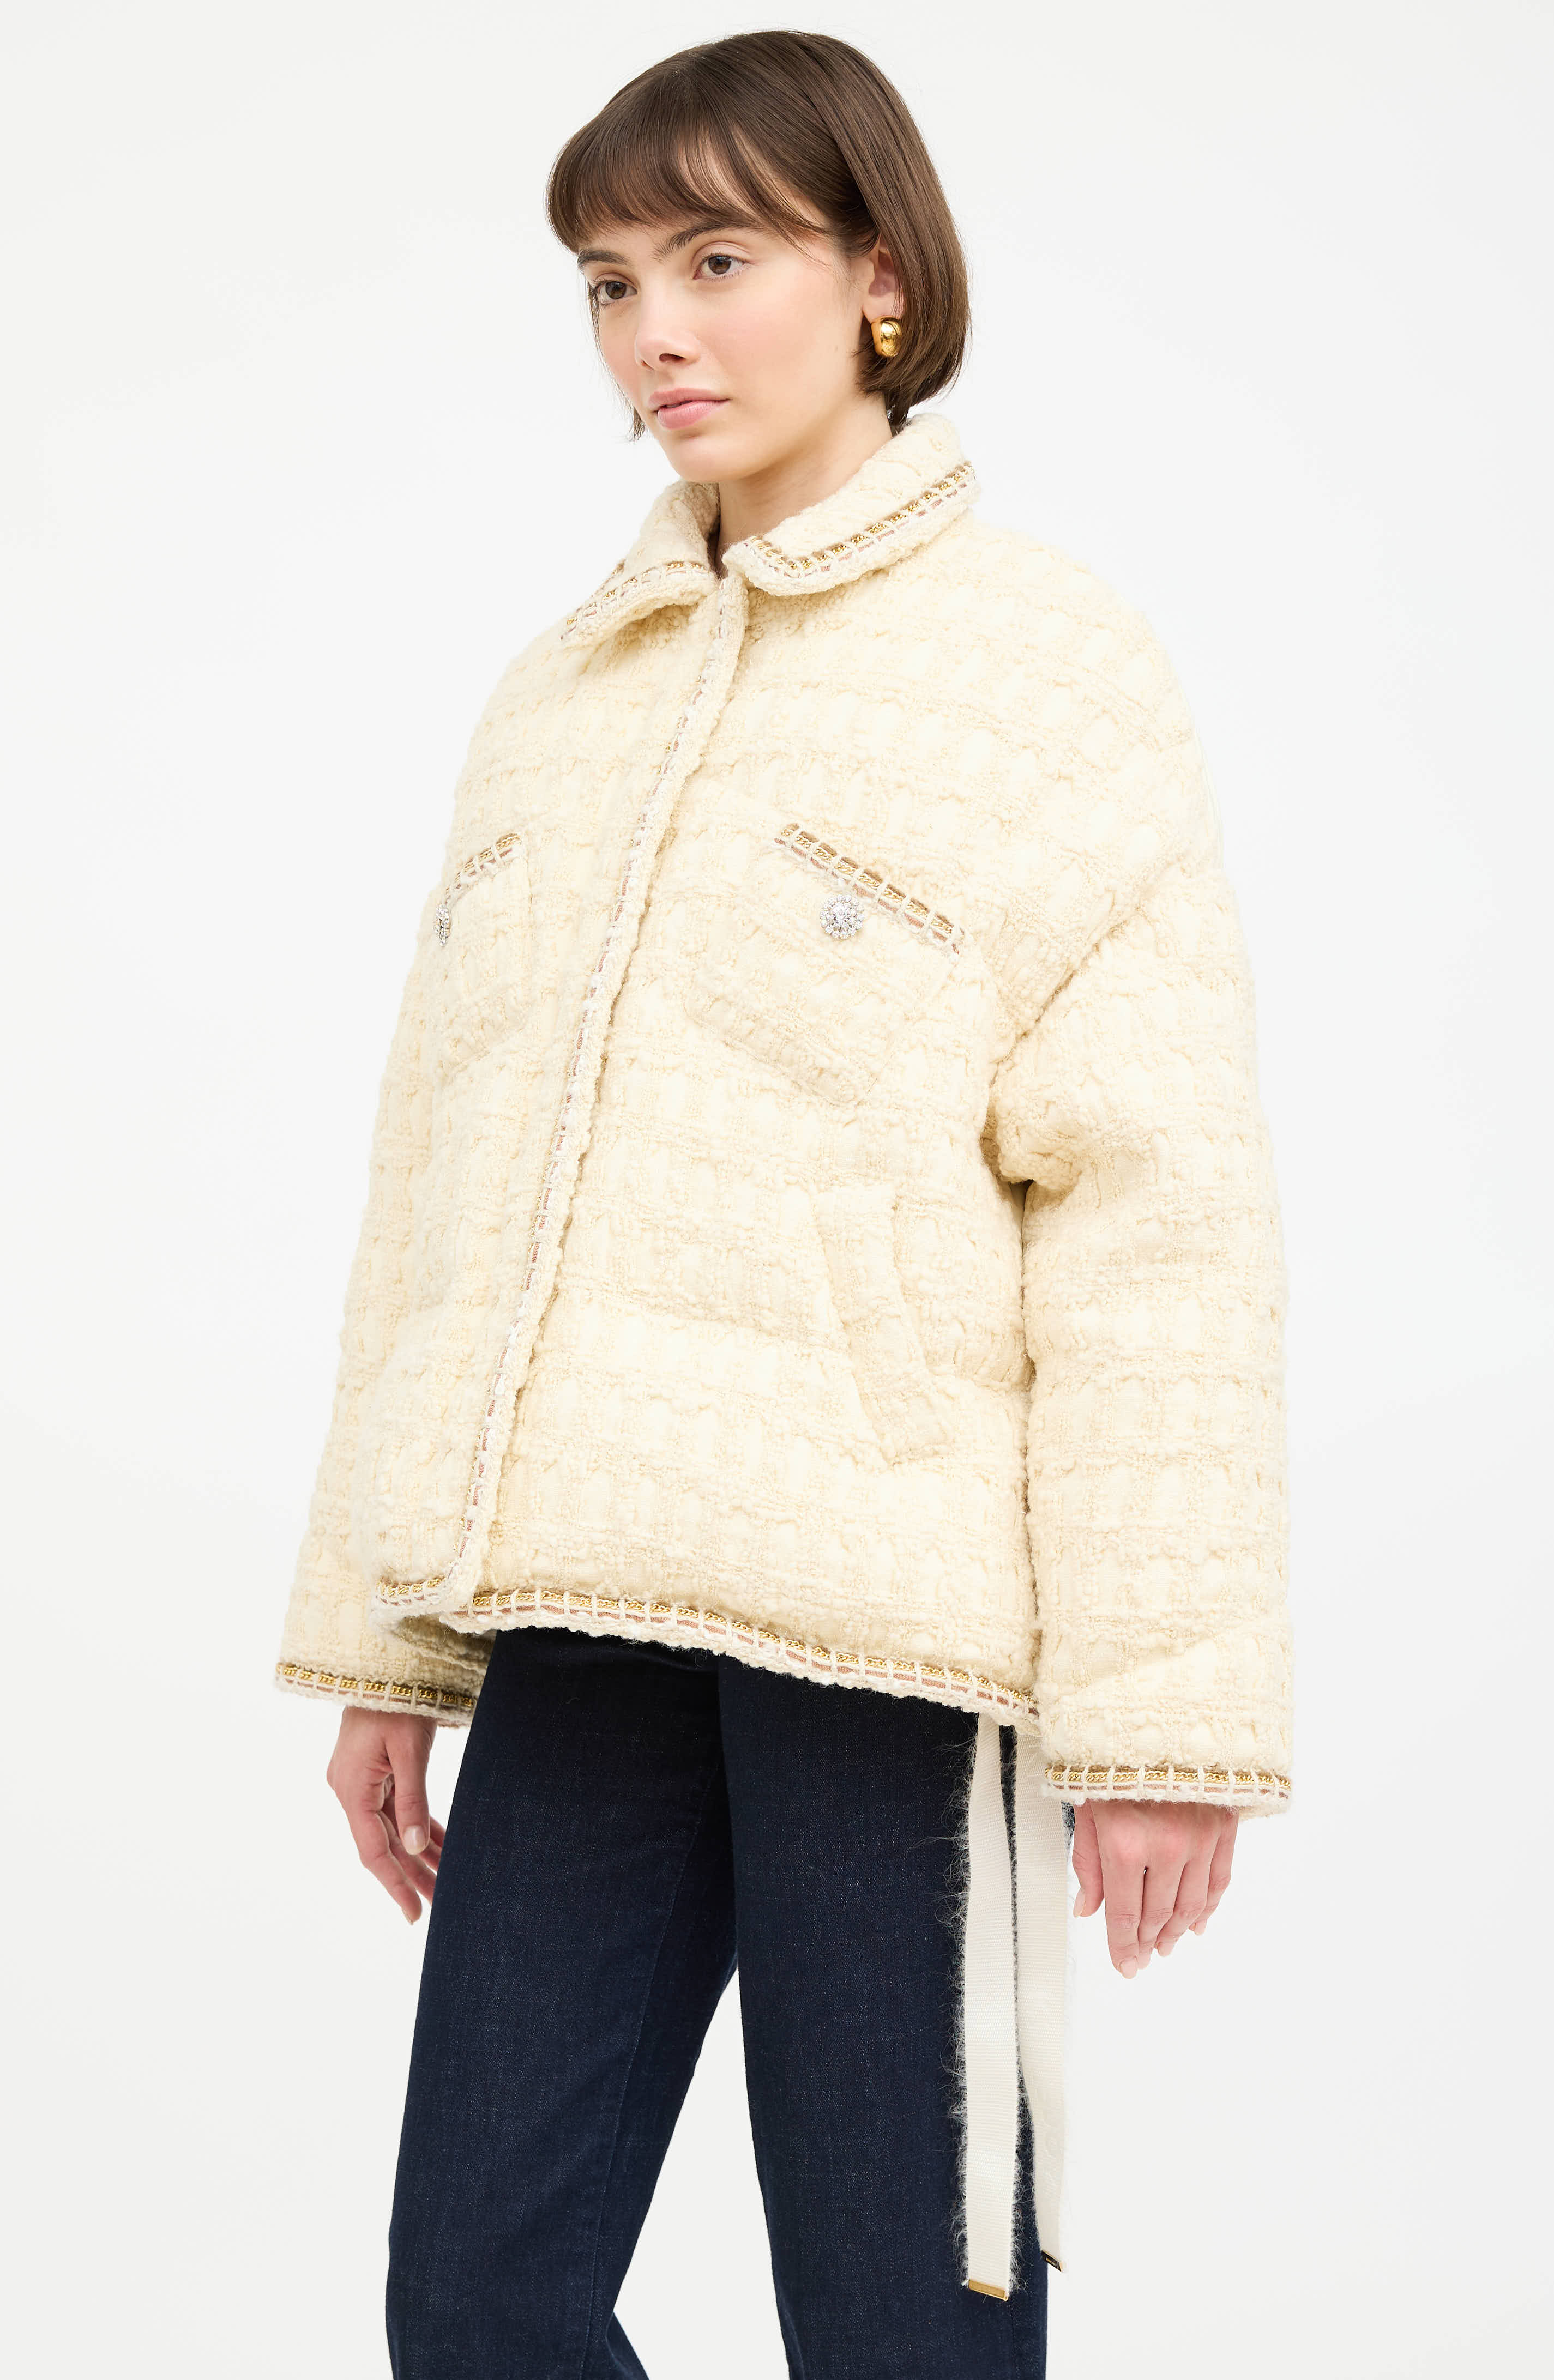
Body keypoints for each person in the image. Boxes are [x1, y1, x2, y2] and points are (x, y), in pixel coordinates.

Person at [276, 30, 1293, 2378]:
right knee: (478, 2297)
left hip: (898, 1646)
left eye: (717, 259)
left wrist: (1161, 1716)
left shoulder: (1044, 669)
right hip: (577, 1615)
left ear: (878, 277)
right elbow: (431, 1185)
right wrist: (384, 1644)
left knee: (901, 2331)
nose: (655, 330)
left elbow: (1159, 1215)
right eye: (610, 280)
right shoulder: (559, 696)